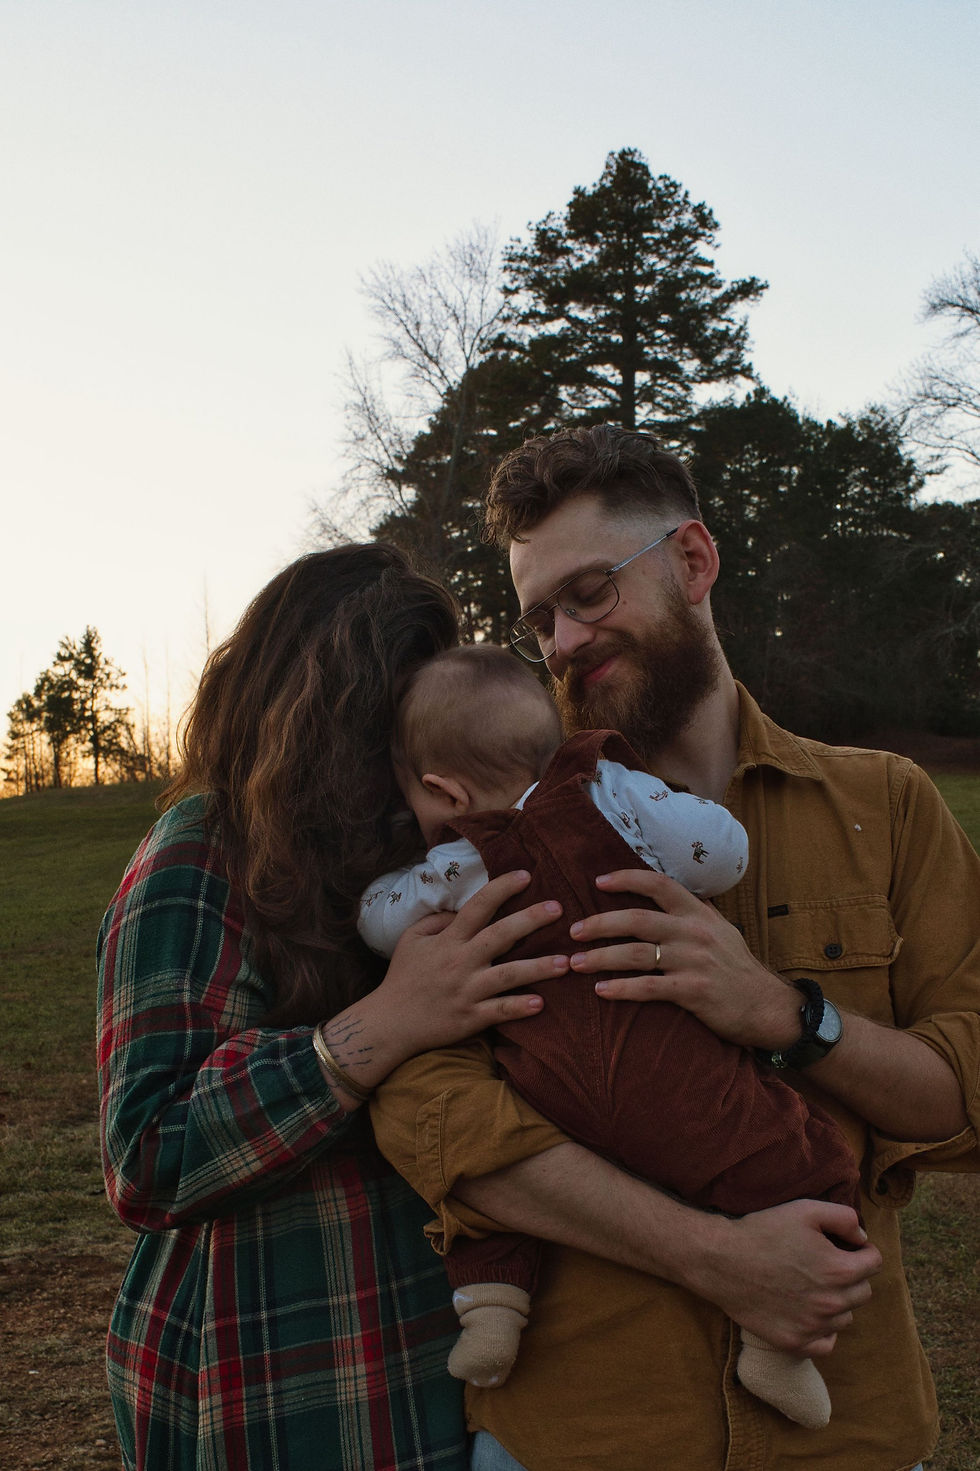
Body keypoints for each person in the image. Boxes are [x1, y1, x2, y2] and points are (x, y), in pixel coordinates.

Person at [369, 426, 980, 1471]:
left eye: (589, 592)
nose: (563, 640)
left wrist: (786, 1015)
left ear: (691, 560)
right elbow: (428, 1110)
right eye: (539, 620)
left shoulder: (885, 804)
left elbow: (965, 1094)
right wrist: (717, 1256)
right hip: (583, 1434)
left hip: (847, 1435)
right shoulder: (495, 838)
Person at [96, 544, 577, 1471]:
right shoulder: (202, 850)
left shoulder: (413, 861)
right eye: (385, 733)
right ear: (316, 722)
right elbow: (147, 1153)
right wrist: (385, 1025)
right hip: (285, 1383)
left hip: (440, 1375)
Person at [359, 642, 862, 1430]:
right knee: (810, 1160)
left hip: (545, 1081)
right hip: (668, 1072)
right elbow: (725, 853)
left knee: (483, 1161)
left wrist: (390, 902)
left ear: (443, 791)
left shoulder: (458, 863)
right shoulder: (612, 790)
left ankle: (493, 1301)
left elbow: (382, 920)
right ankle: (778, 1343)